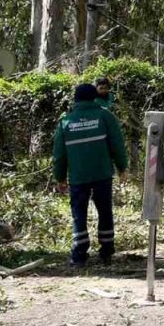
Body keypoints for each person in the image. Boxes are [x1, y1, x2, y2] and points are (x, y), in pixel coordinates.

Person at [52, 82, 127, 267]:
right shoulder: (105, 116)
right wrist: (122, 167)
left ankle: (79, 255)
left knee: (79, 214)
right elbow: (117, 145)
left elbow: (59, 155)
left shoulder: (65, 122)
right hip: (102, 174)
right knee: (105, 211)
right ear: (95, 97)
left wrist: (60, 178)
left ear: (75, 100)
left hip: (78, 177)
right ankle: (107, 252)